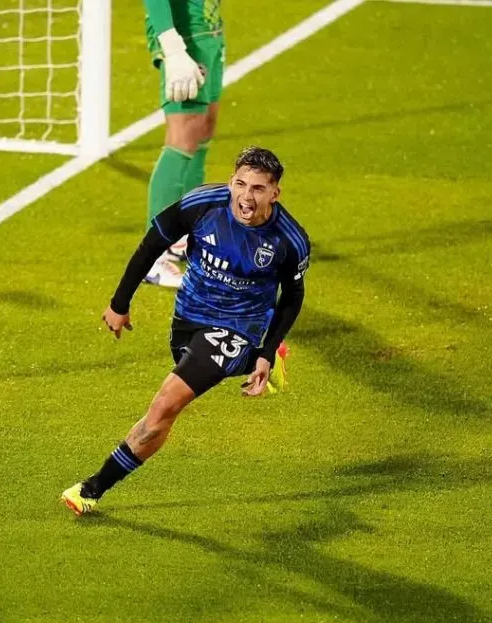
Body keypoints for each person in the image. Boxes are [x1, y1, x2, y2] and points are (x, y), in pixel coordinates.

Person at [62, 147, 310, 516]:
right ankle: (253, 363)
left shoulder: (289, 240)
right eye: (240, 184)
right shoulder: (202, 205)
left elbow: (292, 297)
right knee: (165, 413)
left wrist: (266, 348)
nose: (246, 196)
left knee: (163, 407)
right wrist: (119, 303)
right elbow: (152, 244)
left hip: (237, 327)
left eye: (258, 188)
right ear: (230, 181)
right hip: (189, 316)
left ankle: (91, 489)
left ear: (275, 193)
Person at [142, 0, 225, 288]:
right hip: (182, 37)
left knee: (203, 129)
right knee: (183, 135)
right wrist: (173, 48)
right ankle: (151, 258)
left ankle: (184, 234)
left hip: (209, 29)